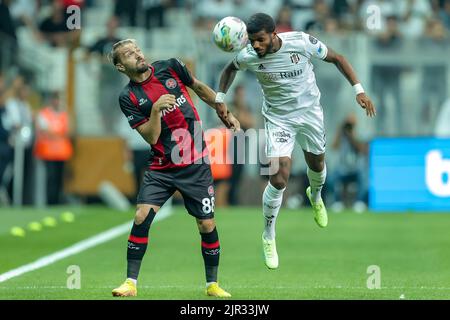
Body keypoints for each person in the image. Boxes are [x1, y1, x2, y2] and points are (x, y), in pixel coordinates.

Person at [216, 13, 376, 269]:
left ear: (273, 34)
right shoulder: (248, 55)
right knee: (278, 178)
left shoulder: (301, 42)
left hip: (310, 114)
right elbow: (229, 70)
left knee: (318, 167)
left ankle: (316, 194)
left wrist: (359, 91)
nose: (255, 46)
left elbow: (338, 58)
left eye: (260, 40)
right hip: (279, 119)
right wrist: (220, 98)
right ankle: (268, 236)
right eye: (252, 41)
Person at [108, 39, 240, 298]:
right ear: (120, 67)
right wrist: (156, 110)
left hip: (195, 164)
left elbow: (200, 88)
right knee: (141, 217)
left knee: (206, 224)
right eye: (128, 54)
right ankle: (130, 283)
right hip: (161, 168)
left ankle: (212, 285)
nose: (136, 54)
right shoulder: (128, 97)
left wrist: (225, 112)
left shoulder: (170, 67)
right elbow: (151, 138)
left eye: (136, 50)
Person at [330, 113, 368, 213]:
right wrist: (339, 131)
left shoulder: (358, 134)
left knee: (364, 176)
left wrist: (352, 136)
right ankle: (337, 202)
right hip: (343, 169)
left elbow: (363, 150)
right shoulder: (341, 136)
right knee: (332, 176)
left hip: (355, 169)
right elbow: (333, 147)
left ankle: (360, 202)